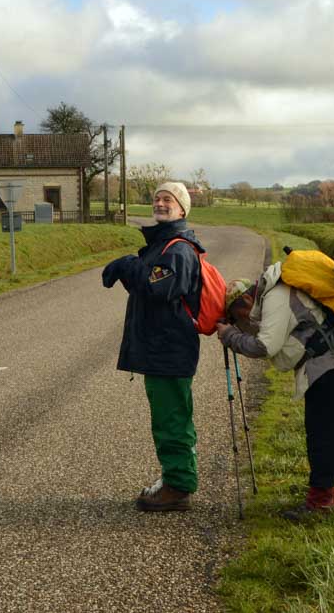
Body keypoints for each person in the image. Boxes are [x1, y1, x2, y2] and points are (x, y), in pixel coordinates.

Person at [216, 260, 334, 520]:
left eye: (237, 314)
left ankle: (321, 501)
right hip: (333, 359)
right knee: (321, 430)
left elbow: (264, 346)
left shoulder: (276, 297)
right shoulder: (276, 292)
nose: (242, 321)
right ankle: (322, 492)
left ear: (246, 299)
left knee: (322, 432)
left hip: (333, 362)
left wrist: (230, 336)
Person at [102, 181, 203, 512]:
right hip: (162, 348)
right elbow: (149, 285)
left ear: (182, 209)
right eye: (157, 198)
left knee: (171, 420)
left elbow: (156, 288)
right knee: (169, 418)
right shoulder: (164, 246)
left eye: (168, 199)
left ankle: (178, 486)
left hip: (169, 350)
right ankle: (176, 478)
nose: (160, 203)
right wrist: (132, 266)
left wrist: (128, 265)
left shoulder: (178, 250)